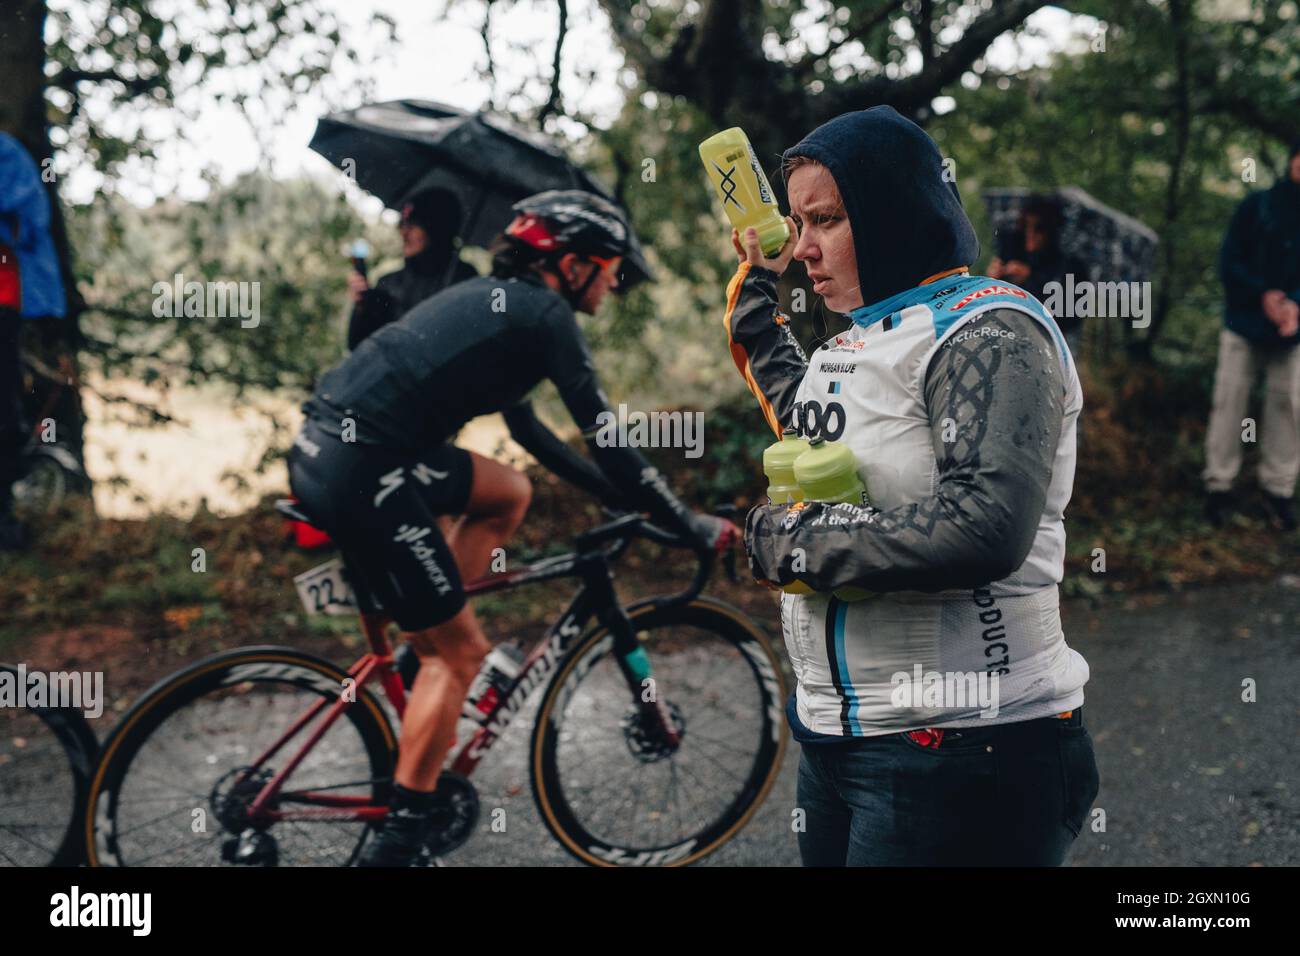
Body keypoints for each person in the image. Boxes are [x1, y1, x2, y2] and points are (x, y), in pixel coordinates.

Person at [289, 189, 738, 866]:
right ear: (572, 263)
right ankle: (399, 842)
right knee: (462, 656)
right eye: (610, 264)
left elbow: (535, 437)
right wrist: (685, 521)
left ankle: (428, 643)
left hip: (337, 451)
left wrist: (642, 509)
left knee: (507, 492)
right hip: (364, 469)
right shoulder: (543, 313)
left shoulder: (508, 309)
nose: (616, 279)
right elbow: (607, 437)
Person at [723, 106, 1098, 866]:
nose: (802, 248)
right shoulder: (862, 338)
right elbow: (799, 411)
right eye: (794, 223)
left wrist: (781, 542)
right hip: (837, 739)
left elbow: (982, 527)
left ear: (892, 212)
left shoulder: (988, 328)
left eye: (823, 220)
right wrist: (756, 288)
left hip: (967, 746)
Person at [1202, 138, 1300, 531]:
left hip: (1292, 331)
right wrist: (1263, 295)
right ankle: (1218, 487)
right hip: (1244, 324)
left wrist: (1293, 304)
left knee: (1288, 407)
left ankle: (1279, 492)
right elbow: (1228, 263)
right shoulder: (1256, 206)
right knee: (1230, 403)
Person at [0, 133, 67, 552]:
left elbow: (30, 225)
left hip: (4, 300)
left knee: (5, 409)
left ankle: (4, 518)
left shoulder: (7, 156)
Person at [345, 188, 478, 349]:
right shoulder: (388, 283)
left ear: (437, 229)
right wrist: (361, 308)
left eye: (413, 225)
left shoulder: (466, 282)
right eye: (402, 224)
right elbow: (358, 346)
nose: (404, 233)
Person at [989, 196, 1087, 360]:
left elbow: (1068, 316)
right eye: (1025, 225)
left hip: (1051, 346)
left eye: (1039, 228)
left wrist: (1031, 280)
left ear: (1052, 230)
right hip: (1010, 341)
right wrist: (993, 280)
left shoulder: (1069, 265)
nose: (1030, 233)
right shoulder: (1011, 251)